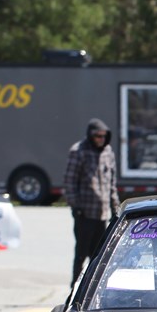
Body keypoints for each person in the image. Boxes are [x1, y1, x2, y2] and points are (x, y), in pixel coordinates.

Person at [63, 118, 119, 285]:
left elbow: (112, 183)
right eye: (97, 136)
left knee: (99, 255)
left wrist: (115, 207)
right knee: (81, 253)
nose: (101, 139)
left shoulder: (108, 152)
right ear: (90, 136)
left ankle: (95, 286)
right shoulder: (78, 151)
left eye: (103, 136)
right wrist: (75, 206)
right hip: (85, 213)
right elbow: (69, 181)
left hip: (102, 213)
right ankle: (75, 287)